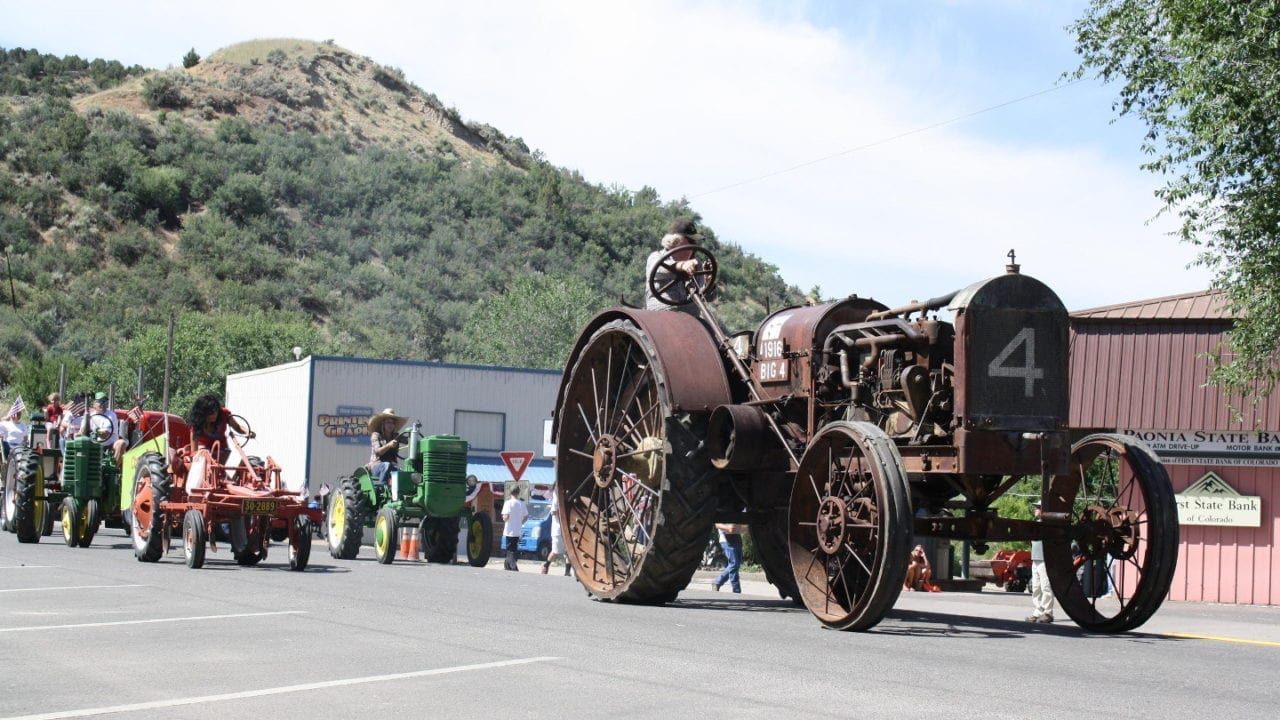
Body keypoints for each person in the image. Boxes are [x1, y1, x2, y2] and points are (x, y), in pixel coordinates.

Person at [645, 218, 710, 313]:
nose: (695, 245)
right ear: (676, 241)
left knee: (717, 327)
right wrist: (681, 266)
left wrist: (708, 282)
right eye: (691, 241)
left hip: (688, 314)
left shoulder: (696, 263)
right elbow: (658, 269)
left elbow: (704, 296)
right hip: (661, 311)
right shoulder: (656, 257)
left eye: (696, 242)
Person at [187, 393, 253, 463]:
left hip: (223, 451)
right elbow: (194, 452)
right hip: (204, 453)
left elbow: (238, 427)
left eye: (216, 411)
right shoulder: (196, 425)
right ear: (202, 413)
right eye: (210, 413)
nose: (214, 415)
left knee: (240, 462)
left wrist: (248, 432)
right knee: (204, 455)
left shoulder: (223, 414)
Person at [79, 393, 128, 464]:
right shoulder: (89, 416)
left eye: (105, 402)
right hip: (92, 445)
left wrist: (94, 431)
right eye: (100, 401)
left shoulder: (111, 415)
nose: (103, 404)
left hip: (110, 445)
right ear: (94, 404)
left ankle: (113, 469)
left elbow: (105, 434)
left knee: (121, 443)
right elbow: (81, 433)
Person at [1027, 502, 1054, 623]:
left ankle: (1048, 612)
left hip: (1045, 560)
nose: (1036, 509)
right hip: (1036, 559)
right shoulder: (1037, 524)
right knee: (1036, 587)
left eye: (1038, 507)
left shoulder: (1048, 525)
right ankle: (1038, 611)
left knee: (1046, 586)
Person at [366, 408, 408, 484]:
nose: (390, 425)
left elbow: (408, 441)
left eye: (392, 423)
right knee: (386, 465)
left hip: (392, 466)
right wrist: (389, 445)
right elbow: (378, 452)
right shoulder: (376, 435)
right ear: (383, 424)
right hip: (377, 466)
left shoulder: (396, 436)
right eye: (388, 422)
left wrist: (413, 436)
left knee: (405, 474)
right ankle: (382, 488)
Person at [501, 485, 529, 571]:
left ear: (510, 493)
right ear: (518, 493)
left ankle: (512, 565)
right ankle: (507, 564)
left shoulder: (508, 503)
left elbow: (506, 516)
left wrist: (504, 519)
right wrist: (520, 522)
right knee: (514, 547)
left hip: (509, 530)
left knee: (509, 548)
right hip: (517, 530)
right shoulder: (521, 503)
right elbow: (526, 516)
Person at [711, 522, 744, 593]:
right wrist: (729, 528)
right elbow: (717, 524)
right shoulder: (723, 511)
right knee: (734, 564)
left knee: (736, 564)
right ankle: (736, 589)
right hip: (726, 540)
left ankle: (717, 581)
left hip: (737, 540)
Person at [541, 499, 571, 576]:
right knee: (555, 551)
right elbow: (553, 512)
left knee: (569, 552)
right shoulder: (556, 496)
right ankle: (546, 565)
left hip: (568, 529)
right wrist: (563, 511)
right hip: (557, 529)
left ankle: (567, 572)